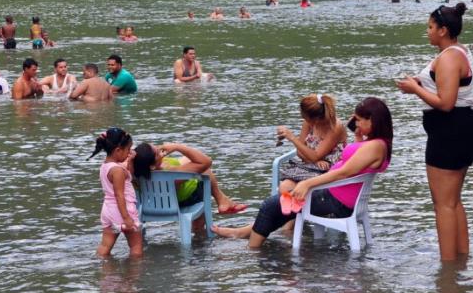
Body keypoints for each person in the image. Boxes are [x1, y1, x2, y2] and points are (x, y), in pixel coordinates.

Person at [212, 97, 392, 247]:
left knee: (270, 206)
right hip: (335, 195)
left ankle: (251, 251)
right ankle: (247, 234)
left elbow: (342, 173)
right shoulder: (374, 143)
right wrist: (359, 135)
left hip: (335, 201)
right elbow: (352, 162)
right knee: (280, 205)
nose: (356, 122)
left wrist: (307, 184)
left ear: (373, 121)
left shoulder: (375, 147)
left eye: (360, 120)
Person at [396, 3, 473, 261]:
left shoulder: (448, 57)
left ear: (443, 30)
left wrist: (415, 90)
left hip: (451, 131)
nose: (428, 32)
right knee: (454, 201)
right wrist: (419, 83)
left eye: (430, 27)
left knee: (443, 205)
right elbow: (443, 86)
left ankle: (447, 273)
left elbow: (446, 103)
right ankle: (461, 261)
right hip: (462, 129)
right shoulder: (457, 52)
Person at [132, 142, 247, 217]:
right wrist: (177, 146)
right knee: (203, 170)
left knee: (187, 161)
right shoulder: (170, 175)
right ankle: (221, 201)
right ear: (152, 166)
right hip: (183, 200)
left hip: (153, 205)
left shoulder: (135, 174)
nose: (160, 151)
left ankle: (223, 200)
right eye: (157, 153)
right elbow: (206, 161)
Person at [276, 93, 347, 189]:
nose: (303, 119)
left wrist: (292, 138)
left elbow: (315, 155)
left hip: (329, 172)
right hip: (310, 167)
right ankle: (290, 203)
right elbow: (300, 152)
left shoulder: (335, 127)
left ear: (315, 119)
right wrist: (316, 161)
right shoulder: (308, 123)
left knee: (298, 190)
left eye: (305, 117)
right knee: (285, 187)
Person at [91, 128, 142, 258]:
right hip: (123, 210)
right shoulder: (117, 171)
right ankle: (133, 276)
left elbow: (127, 174)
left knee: (105, 246)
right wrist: (126, 218)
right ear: (118, 150)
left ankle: (105, 275)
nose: (130, 152)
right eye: (128, 149)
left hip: (108, 210)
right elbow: (119, 195)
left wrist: (129, 160)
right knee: (136, 247)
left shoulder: (106, 166)